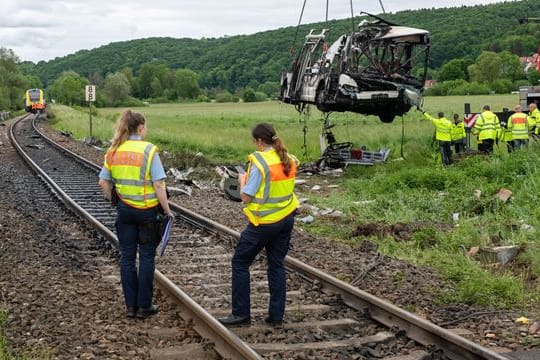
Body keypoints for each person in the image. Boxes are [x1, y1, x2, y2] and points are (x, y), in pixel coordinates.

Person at [218, 123, 299, 327]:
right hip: (286, 218)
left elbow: (245, 197)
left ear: (259, 141)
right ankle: (276, 316)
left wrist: (244, 179)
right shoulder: (288, 159)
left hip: (264, 222)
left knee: (240, 262)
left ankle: (241, 314)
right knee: (276, 265)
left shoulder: (259, 162)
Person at [98, 110, 173, 319]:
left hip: (125, 212)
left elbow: (103, 182)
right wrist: (167, 210)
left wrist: (114, 200)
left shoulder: (114, 151)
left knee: (127, 257)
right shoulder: (149, 151)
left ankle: (130, 306)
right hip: (147, 211)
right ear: (140, 128)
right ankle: (144, 306)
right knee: (147, 257)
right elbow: (158, 184)